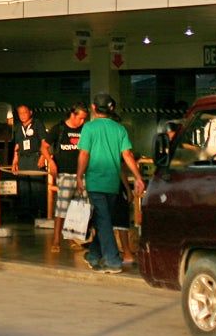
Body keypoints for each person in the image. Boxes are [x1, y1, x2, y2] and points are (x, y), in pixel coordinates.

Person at [75, 92, 145, 274]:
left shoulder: (89, 128)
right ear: (111, 108)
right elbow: (127, 155)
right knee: (104, 220)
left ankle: (113, 261)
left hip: (95, 182)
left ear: (93, 108)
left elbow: (84, 154)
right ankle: (93, 256)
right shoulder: (120, 129)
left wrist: (79, 176)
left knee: (103, 220)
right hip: (113, 183)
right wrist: (138, 177)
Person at [41, 104, 88, 246]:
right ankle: (56, 238)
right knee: (62, 206)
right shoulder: (59, 128)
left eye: (84, 119)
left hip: (83, 174)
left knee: (80, 206)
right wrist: (50, 161)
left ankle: (73, 236)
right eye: (80, 118)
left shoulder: (85, 130)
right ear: (73, 115)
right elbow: (44, 146)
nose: (82, 122)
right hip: (65, 173)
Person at [8, 103, 46, 218]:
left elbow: (44, 142)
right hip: (23, 158)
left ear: (30, 112)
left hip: (35, 157)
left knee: (37, 185)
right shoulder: (18, 127)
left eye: (25, 112)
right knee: (23, 185)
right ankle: (26, 211)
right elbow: (17, 146)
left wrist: (43, 157)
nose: (23, 115)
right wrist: (15, 161)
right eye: (20, 113)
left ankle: (41, 211)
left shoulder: (37, 124)